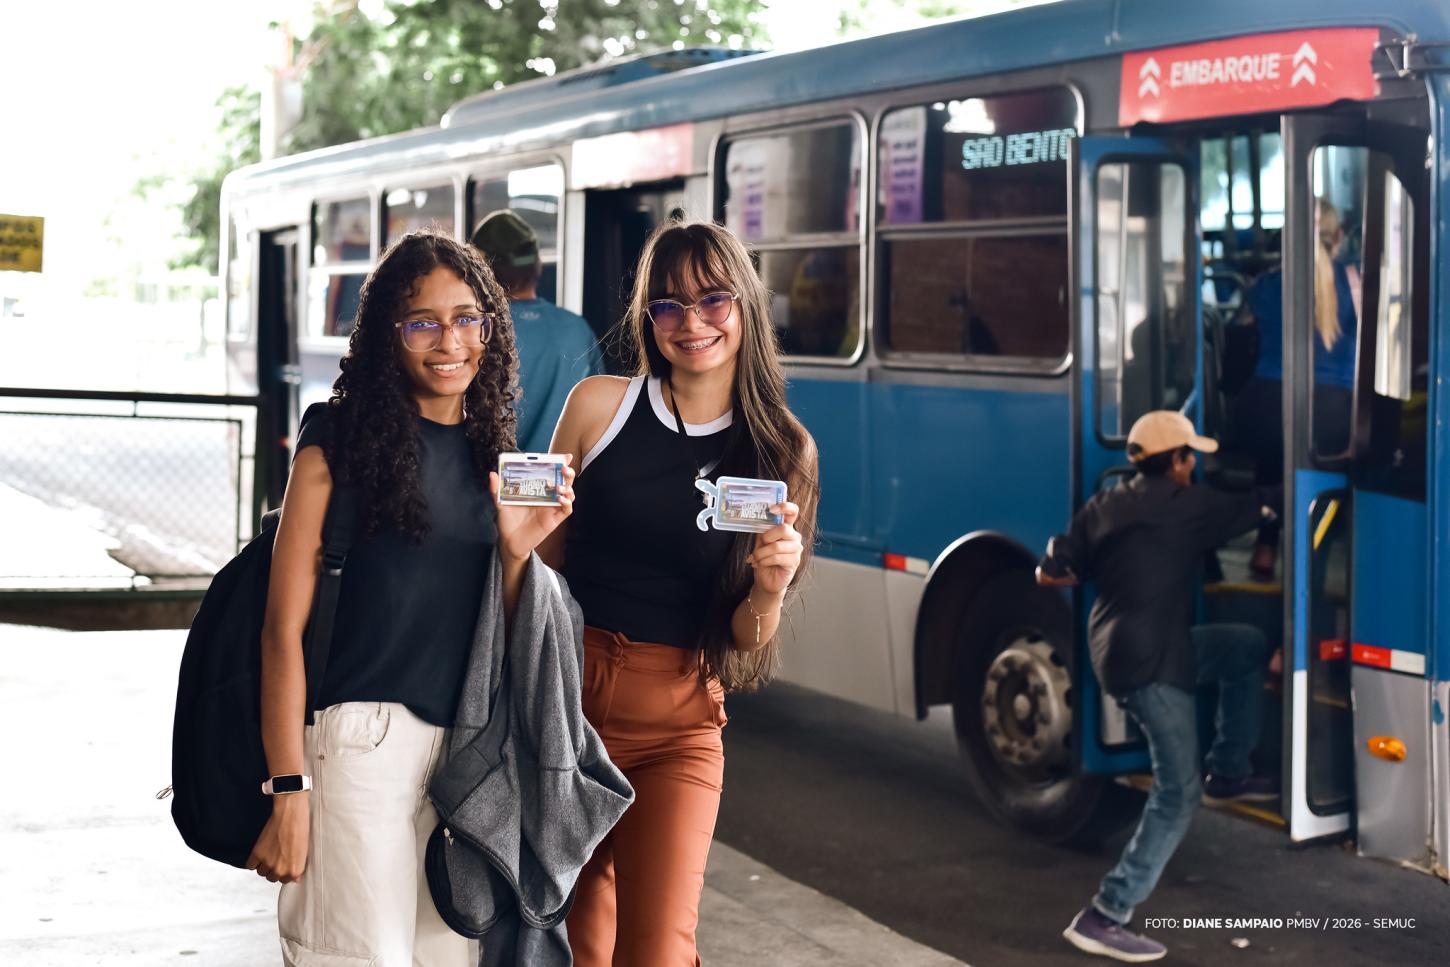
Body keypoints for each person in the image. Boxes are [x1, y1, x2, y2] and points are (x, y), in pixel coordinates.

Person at [249, 231, 576, 967]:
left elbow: (513, 629)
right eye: (421, 320)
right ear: (386, 336)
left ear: (492, 327)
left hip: (465, 756)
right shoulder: (335, 442)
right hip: (359, 747)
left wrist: (521, 551)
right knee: (357, 957)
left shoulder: (495, 453)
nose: (448, 340)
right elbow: (281, 630)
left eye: (467, 318)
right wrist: (289, 787)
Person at [540, 220, 819, 966]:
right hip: (567, 710)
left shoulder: (781, 448)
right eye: (668, 305)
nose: (691, 322)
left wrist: (769, 586)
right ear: (648, 318)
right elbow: (540, 571)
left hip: (679, 725)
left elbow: (748, 636)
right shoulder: (599, 405)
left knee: (659, 948)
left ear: (746, 306)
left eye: (712, 300)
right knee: (575, 943)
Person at [1037, 410, 1278, 963]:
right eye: (1192, 456)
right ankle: (1106, 914)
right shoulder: (1186, 506)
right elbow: (1268, 504)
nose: (1195, 465)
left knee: (1243, 646)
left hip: (1119, 649)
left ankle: (1231, 769)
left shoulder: (1107, 504)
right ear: (1178, 461)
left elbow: (1052, 571)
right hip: (1152, 664)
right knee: (1177, 792)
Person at [1230, 197, 1360, 577]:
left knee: (1271, 468)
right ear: (1338, 235)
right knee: (1328, 482)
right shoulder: (1354, 281)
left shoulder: (1265, 284)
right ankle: (1312, 570)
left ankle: (1265, 550)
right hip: (1333, 407)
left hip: (1268, 401)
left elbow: (1246, 333)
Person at [470, 209, 603, 452]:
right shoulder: (577, 330)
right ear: (538, 267)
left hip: (488, 480)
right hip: (563, 483)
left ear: (483, 274)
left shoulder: (476, 331)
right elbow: (600, 419)